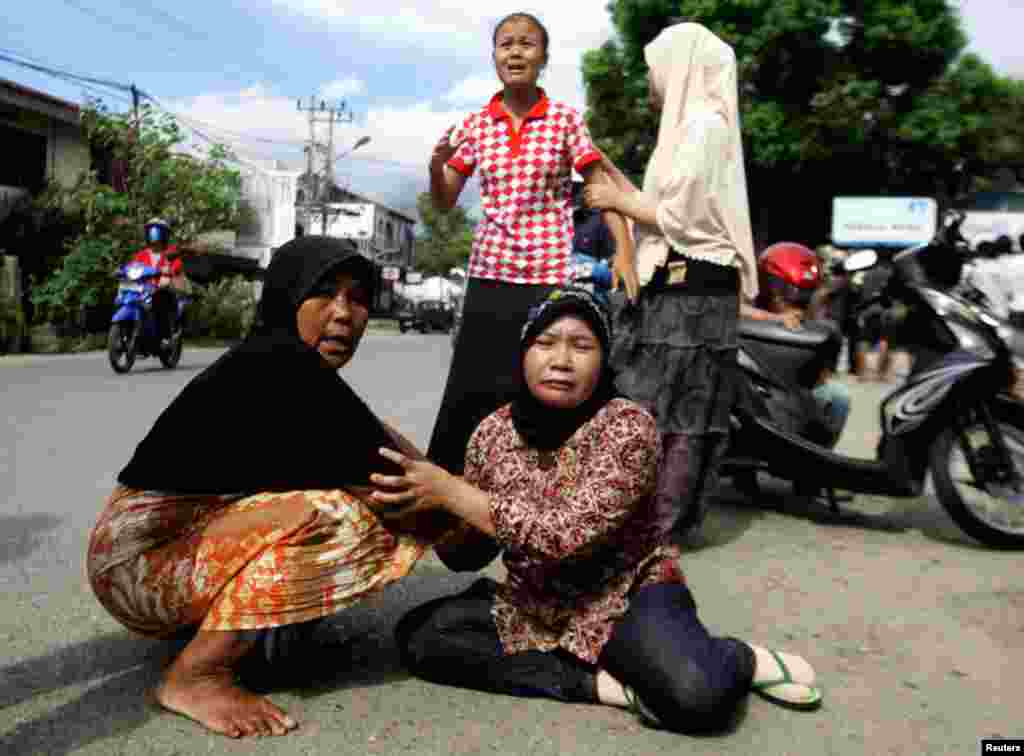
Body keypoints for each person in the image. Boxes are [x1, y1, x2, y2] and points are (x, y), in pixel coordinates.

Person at [373, 288, 822, 734]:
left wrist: (450, 490)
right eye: (545, 343)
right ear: (525, 353)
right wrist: (418, 512)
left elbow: (564, 534)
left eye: (581, 345)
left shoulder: (629, 427)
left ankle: (738, 656)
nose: (561, 360)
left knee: (695, 696)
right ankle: (599, 684)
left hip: (624, 596)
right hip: (534, 601)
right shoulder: (491, 433)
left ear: (603, 358)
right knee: (424, 638)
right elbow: (470, 553)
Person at [87, 236, 446, 739]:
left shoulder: (275, 360)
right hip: (141, 564)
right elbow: (415, 499)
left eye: (358, 297)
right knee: (342, 515)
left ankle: (226, 633)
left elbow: (380, 443)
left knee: (343, 494)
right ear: (286, 295)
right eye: (323, 293)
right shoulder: (285, 369)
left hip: (142, 557)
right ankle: (199, 674)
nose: (344, 313)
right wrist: (492, 514)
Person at [426, 11, 632, 477]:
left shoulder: (565, 121)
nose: (515, 52)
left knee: (542, 382)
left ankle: (553, 483)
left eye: (527, 44)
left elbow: (599, 187)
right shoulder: (477, 125)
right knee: (472, 384)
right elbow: (444, 201)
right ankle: (449, 498)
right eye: (505, 44)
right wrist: (434, 167)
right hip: (489, 270)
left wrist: (624, 251)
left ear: (543, 56)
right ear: (494, 56)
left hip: (545, 274)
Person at [583, 22, 757, 533]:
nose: (652, 81)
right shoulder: (690, 130)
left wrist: (615, 199)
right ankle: (655, 524)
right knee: (671, 413)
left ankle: (656, 527)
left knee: (673, 416)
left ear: (681, 66)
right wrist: (608, 170)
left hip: (693, 295)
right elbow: (661, 205)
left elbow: (679, 218)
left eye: (655, 70)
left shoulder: (704, 127)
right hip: (687, 289)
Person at [743, 242, 850, 447]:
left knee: (838, 396)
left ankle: (818, 455)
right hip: (752, 393)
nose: (794, 308)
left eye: (803, 298)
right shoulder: (747, 309)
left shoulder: (819, 328)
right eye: (785, 296)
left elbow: (822, 377)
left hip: (794, 395)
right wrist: (771, 318)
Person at [132, 218, 187, 345]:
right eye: (151, 231)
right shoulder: (142, 254)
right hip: (144, 289)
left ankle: (164, 336)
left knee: (160, 299)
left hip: (163, 290)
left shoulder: (170, 252)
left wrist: (169, 272)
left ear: (164, 235)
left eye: (157, 231)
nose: (154, 235)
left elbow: (176, 265)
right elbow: (133, 267)